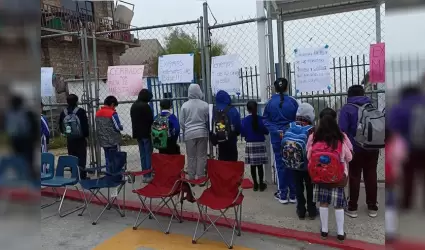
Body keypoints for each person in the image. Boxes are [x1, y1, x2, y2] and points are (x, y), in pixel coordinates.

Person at [307, 108, 353, 242]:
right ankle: (340, 232)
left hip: (319, 177)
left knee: (323, 202)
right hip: (337, 177)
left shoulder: (314, 137)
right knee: (338, 204)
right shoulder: (341, 137)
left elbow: (308, 155)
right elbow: (349, 157)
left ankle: (324, 231)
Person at [338, 85, 380, 218]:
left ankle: (352, 207)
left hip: (355, 148)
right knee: (371, 175)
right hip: (373, 147)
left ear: (349, 95)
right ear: (363, 94)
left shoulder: (347, 109)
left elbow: (342, 130)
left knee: (355, 176)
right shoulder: (372, 106)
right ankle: (372, 207)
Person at [263, 78, 298, 204]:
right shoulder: (293, 101)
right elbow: (298, 118)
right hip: (291, 136)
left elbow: (265, 120)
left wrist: (276, 130)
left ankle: (283, 194)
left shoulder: (270, 102)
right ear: (287, 87)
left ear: (275, 88)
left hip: (277, 137)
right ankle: (293, 194)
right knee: (293, 163)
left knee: (280, 165)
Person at [284, 102, 317, 220]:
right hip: (308, 164)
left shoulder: (290, 126)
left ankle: (301, 210)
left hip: (294, 163)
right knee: (310, 186)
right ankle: (312, 210)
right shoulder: (311, 130)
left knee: (298, 186)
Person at [180, 84, 209, 180]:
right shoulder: (204, 105)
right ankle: (200, 176)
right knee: (201, 155)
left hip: (189, 133)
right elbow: (207, 119)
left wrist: (186, 129)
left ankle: (191, 176)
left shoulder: (184, 105)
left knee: (191, 156)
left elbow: (181, 121)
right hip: (202, 132)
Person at [6, 95, 38, 181]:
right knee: (20, 157)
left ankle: (29, 175)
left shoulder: (26, 112)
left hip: (25, 139)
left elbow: (34, 126)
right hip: (17, 139)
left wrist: (33, 138)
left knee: (27, 158)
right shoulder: (11, 113)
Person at [59, 94, 89, 180]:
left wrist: (66, 133)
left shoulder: (63, 112)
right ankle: (82, 175)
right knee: (81, 157)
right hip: (80, 138)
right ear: (77, 101)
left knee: (72, 156)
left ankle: (74, 174)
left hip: (70, 138)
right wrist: (85, 135)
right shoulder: (81, 111)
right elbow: (84, 125)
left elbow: (60, 126)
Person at [241, 100, 269, 192]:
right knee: (260, 165)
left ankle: (255, 185)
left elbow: (243, 133)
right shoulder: (261, 119)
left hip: (250, 144)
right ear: (257, 108)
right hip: (260, 143)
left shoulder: (244, 120)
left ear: (247, 109)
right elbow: (266, 131)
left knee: (253, 166)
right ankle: (261, 184)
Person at [210, 90, 241, 161]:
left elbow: (211, 125)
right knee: (232, 163)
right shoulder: (232, 110)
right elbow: (238, 126)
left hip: (220, 141)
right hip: (231, 140)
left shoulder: (215, 110)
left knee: (223, 162)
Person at [130, 89, 154, 182]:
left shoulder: (134, 105)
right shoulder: (145, 106)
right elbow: (150, 120)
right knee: (148, 154)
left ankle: (144, 174)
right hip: (146, 133)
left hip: (137, 133)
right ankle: (148, 174)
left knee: (143, 154)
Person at [95, 96, 123, 169]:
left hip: (102, 139)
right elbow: (117, 127)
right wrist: (121, 127)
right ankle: (115, 174)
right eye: (114, 106)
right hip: (112, 140)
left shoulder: (98, 113)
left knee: (107, 157)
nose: (114, 108)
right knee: (114, 158)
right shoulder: (112, 113)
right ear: (112, 104)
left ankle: (108, 173)